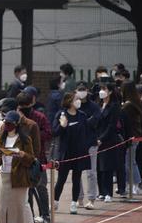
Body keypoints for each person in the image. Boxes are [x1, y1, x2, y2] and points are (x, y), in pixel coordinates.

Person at [0, 111, 36, 223]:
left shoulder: (25, 139)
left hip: (19, 177)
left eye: (10, 123)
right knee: (2, 208)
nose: (7, 125)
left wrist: (21, 154)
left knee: (16, 209)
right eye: (6, 122)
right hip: (3, 175)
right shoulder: (1, 139)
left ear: (16, 124)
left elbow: (31, 159)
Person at [52, 92, 92, 214]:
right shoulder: (61, 114)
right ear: (69, 101)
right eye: (76, 99)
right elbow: (55, 132)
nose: (78, 101)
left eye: (79, 99)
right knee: (61, 179)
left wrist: (89, 144)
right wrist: (62, 125)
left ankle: (74, 203)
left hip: (79, 152)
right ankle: (55, 202)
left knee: (77, 178)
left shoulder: (82, 115)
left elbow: (87, 131)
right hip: (65, 152)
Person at [17, 92, 51, 223]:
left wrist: (33, 135)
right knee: (27, 191)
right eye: (21, 106)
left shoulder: (39, 117)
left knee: (41, 187)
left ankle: (45, 215)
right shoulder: (16, 118)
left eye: (27, 105)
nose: (24, 108)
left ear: (32, 103)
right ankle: (29, 217)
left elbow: (48, 133)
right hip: (22, 160)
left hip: (39, 158)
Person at [75, 82, 101, 210]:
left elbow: (95, 121)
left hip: (91, 142)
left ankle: (91, 198)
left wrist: (82, 123)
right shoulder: (74, 106)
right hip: (77, 143)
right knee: (77, 172)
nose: (81, 92)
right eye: (79, 90)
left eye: (83, 89)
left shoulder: (94, 106)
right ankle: (78, 198)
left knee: (91, 172)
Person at [96, 83, 123, 202]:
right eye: (101, 89)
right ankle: (101, 191)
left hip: (109, 140)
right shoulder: (99, 104)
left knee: (107, 166)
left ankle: (108, 193)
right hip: (97, 139)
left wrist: (101, 138)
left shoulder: (114, 106)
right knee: (99, 167)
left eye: (104, 89)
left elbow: (112, 125)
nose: (101, 91)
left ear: (110, 91)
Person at [121, 81, 142, 196]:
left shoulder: (128, 105)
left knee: (129, 161)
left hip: (131, 136)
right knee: (130, 161)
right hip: (136, 135)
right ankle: (130, 183)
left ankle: (135, 183)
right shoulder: (136, 102)